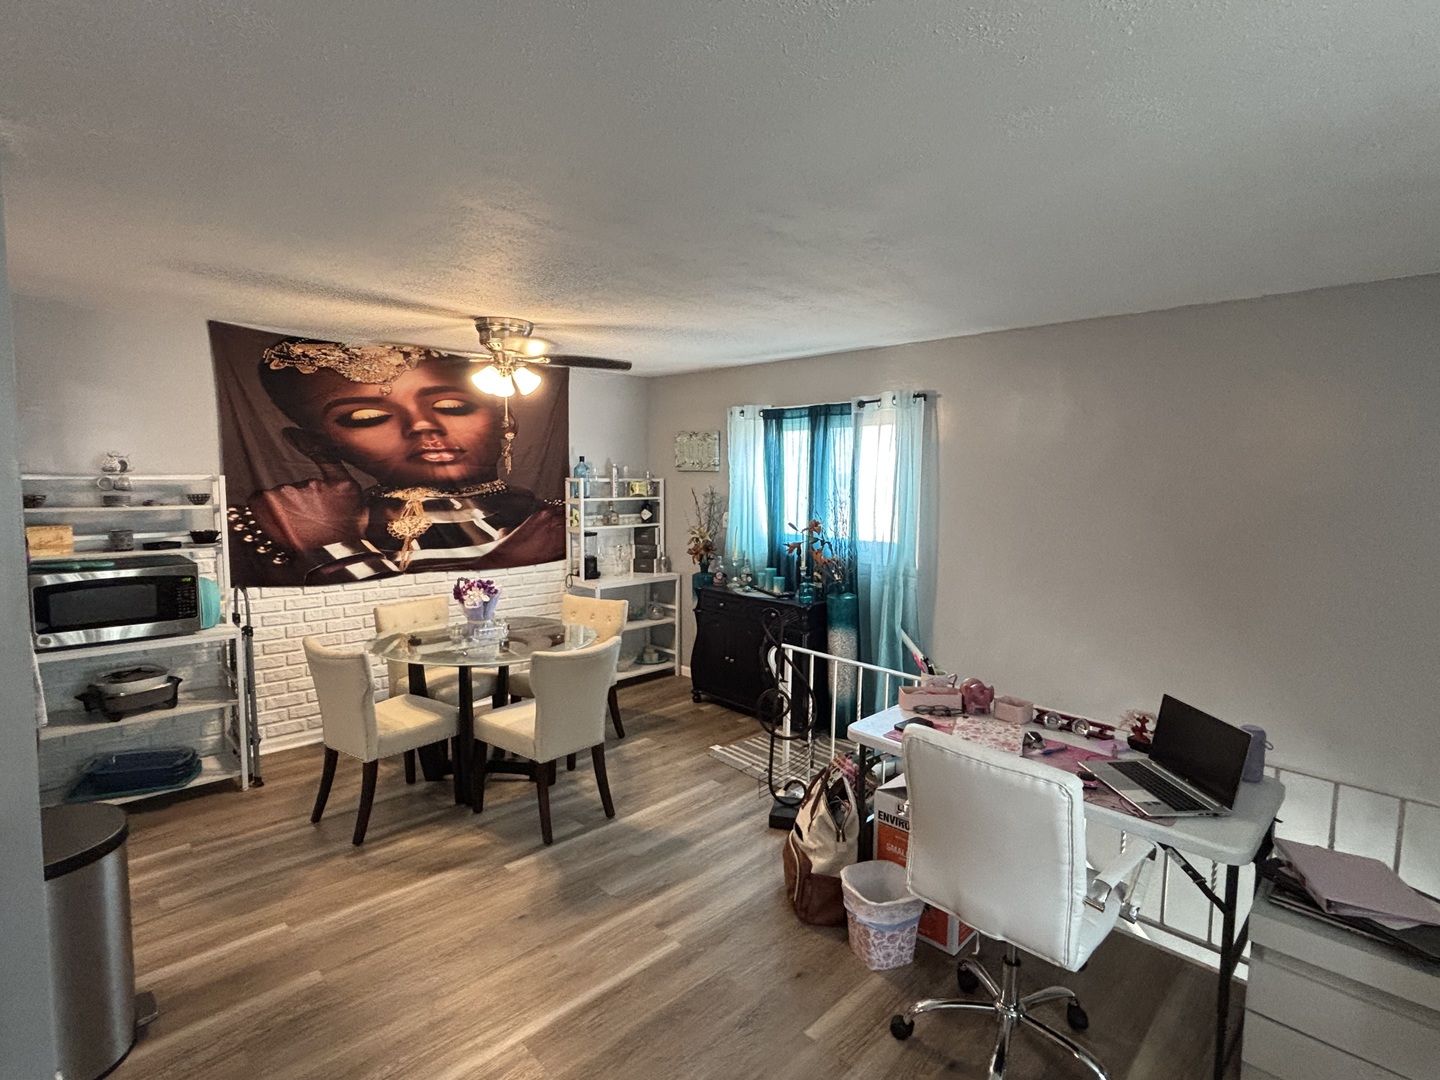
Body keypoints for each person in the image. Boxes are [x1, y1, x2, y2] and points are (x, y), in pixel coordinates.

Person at [227, 340, 564, 586]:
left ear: (505, 423)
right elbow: (368, 625)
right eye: (367, 417)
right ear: (315, 445)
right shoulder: (275, 524)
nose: (422, 426)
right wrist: (331, 538)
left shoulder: (547, 516)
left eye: (452, 406)